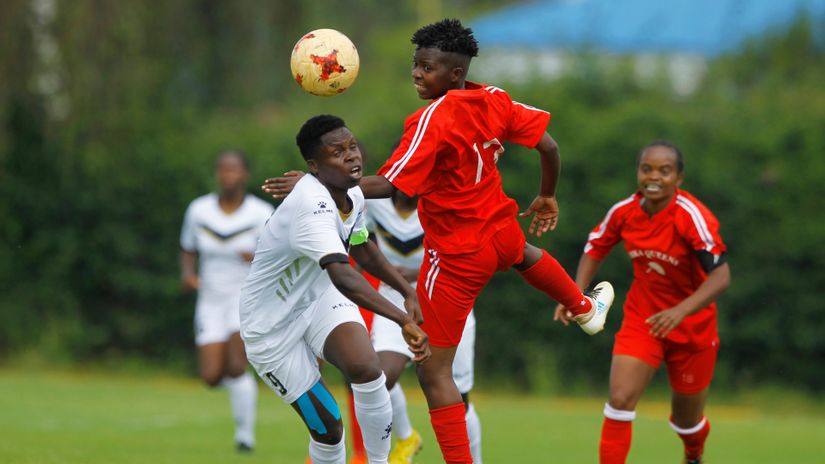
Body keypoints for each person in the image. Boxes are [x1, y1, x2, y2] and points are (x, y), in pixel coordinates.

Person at [264, 19, 615, 463]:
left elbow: (390, 185)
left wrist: (317, 183)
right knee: (526, 255)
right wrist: (546, 194)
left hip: (458, 255)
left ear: (454, 74)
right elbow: (548, 146)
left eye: (426, 67)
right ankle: (585, 309)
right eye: (415, 64)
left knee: (434, 374)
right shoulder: (494, 98)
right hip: (501, 231)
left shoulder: (430, 120)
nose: (416, 73)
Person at [239, 114, 431, 464]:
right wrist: (403, 319)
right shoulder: (311, 205)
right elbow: (342, 274)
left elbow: (361, 247)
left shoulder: (352, 195)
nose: (352, 156)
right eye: (337, 152)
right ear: (314, 165)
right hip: (271, 328)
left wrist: (406, 290)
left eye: (352, 146)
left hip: (317, 299)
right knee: (329, 430)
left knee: (366, 368)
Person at [553, 141, 731, 464]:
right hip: (643, 319)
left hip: (693, 325)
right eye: (646, 168)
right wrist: (575, 295)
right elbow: (595, 248)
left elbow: (721, 277)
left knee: (687, 423)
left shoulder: (691, 217)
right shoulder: (624, 212)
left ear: (679, 178)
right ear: (638, 172)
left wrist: (679, 312)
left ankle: (694, 454)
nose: (654, 177)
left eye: (665, 171)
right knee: (619, 399)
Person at [365, 190, 483, 464]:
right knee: (379, 378)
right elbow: (360, 239)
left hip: (446, 297)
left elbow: (469, 256)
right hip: (396, 299)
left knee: (457, 396)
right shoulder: (372, 204)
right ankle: (406, 437)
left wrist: (419, 273)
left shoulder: (445, 203)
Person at [179, 149, 274, 452]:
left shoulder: (260, 213)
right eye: (222, 169)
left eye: (233, 170)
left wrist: (257, 257)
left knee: (236, 366)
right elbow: (187, 247)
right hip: (209, 299)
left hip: (245, 298)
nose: (227, 175)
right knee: (210, 376)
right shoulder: (199, 210)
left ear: (245, 174)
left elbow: (278, 256)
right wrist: (188, 274)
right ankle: (243, 392)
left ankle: (245, 437)